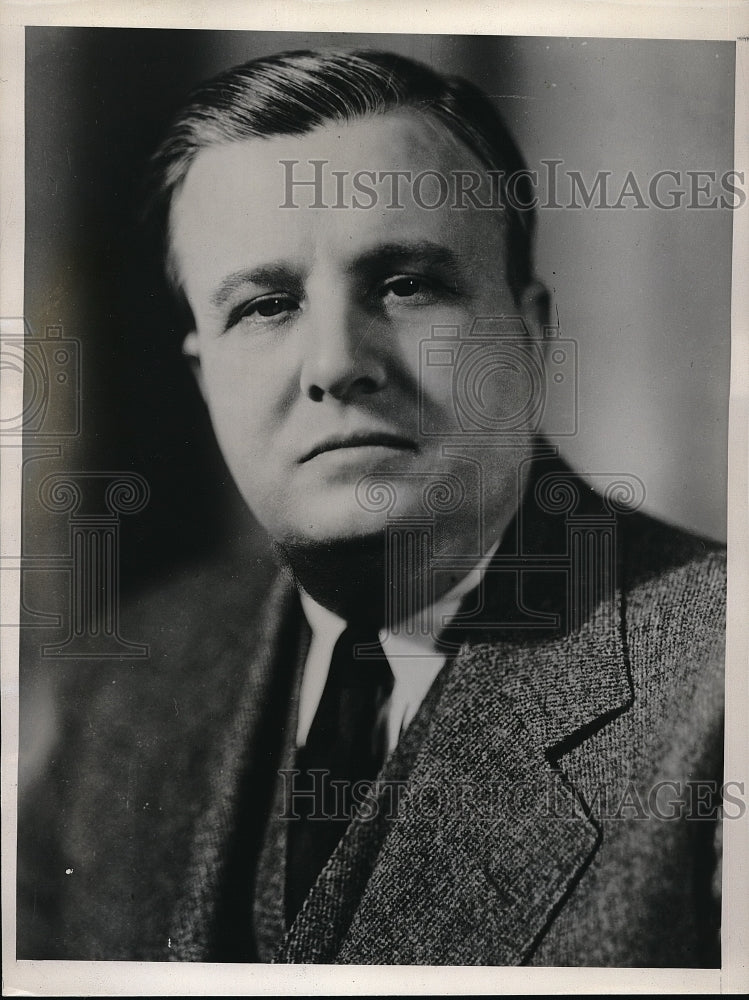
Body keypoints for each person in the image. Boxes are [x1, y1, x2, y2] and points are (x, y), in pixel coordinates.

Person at [17, 48, 725, 967]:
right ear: (204, 379)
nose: (335, 364)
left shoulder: (720, 682)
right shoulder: (113, 694)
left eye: (403, 284)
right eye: (267, 306)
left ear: (530, 333)